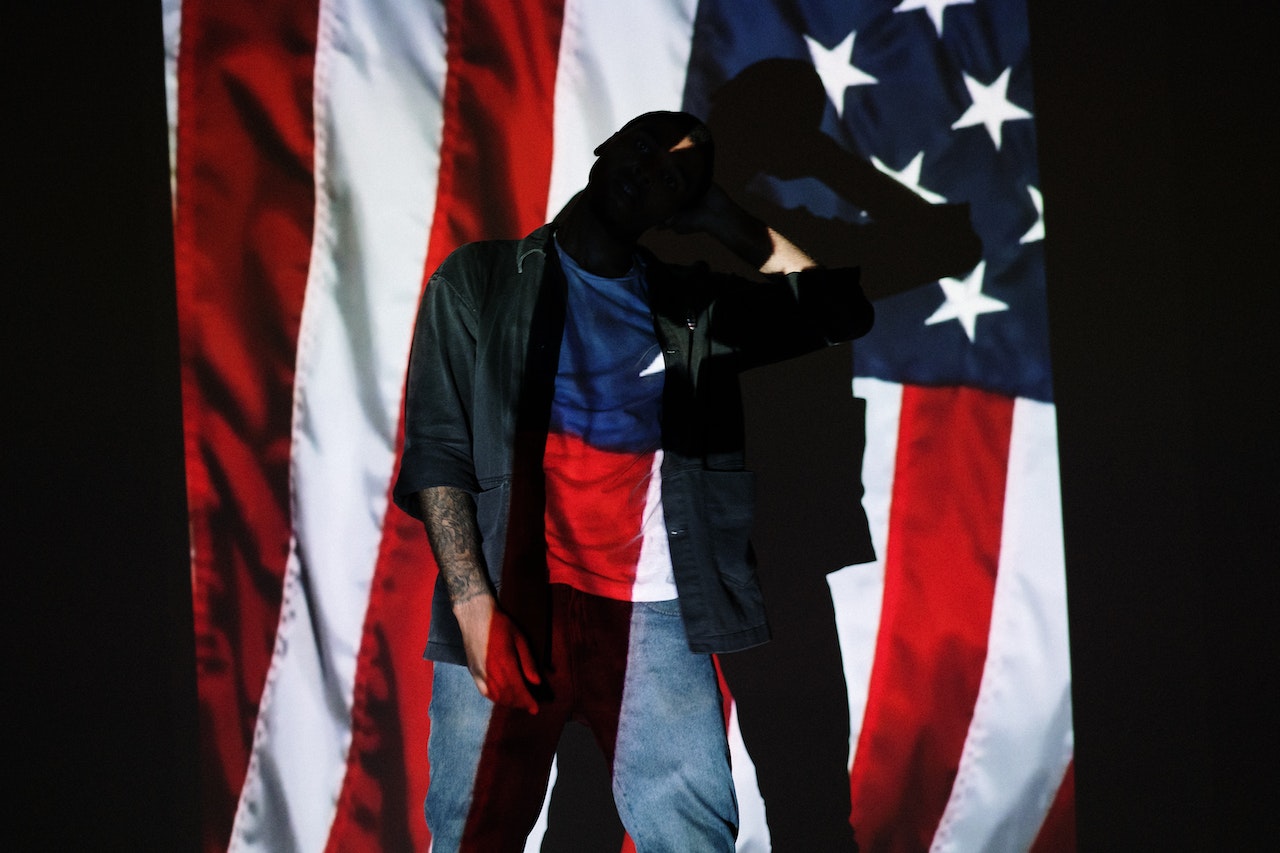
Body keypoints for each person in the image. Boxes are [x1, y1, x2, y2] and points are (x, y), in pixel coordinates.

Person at [393, 110, 873, 852]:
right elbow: (437, 450)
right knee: (471, 834)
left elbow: (841, 310)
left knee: (693, 837)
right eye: (645, 147)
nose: (651, 170)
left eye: (675, 176)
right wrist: (473, 605)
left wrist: (722, 219)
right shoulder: (481, 280)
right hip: (517, 606)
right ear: (607, 148)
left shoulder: (687, 304)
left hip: (654, 615)